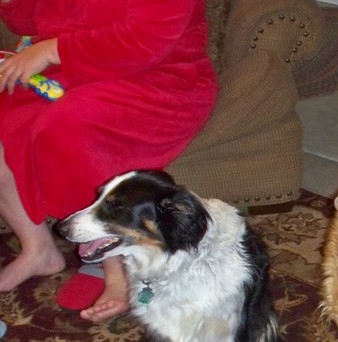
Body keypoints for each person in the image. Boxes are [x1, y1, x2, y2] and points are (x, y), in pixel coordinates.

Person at [0, 0, 217, 322]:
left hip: (157, 77)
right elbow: (36, 17)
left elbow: (147, 39)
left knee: (67, 127)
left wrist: (52, 50)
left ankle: (114, 269)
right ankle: (37, 247)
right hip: (70, 71)